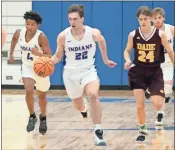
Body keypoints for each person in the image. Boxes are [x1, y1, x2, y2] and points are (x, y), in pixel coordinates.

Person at [51, 4, 116, 146]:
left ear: (82, 19)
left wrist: (105, 60)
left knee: (93, 95)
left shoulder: (93, 33)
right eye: (70, 19)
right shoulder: (63, 36)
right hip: (70, 74)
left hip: (88, 70)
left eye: (75, 19)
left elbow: (102, 41)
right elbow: (57, 56)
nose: (72, 22)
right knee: (78, 104)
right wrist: (47, 63)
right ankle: (83, 109)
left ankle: (98, 131)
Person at [124, 6, 174, 142]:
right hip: (139, 71)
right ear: (137, 20)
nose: (143, 21)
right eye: (140, 19)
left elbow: (170, 51)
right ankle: (142, 129)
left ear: (150, 19)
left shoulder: (160, 34)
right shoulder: (133, 35)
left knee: (158, 103)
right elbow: (127, 50)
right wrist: (128, 60)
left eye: (145, 19)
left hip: (155, 71)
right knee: (140, 104)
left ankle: (157, 104)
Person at [9, 11, 52, 135]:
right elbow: (14, 40)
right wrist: (11, 53)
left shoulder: (41, 37)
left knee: (42, 96)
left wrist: (39, 54)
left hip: (41, 69)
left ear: (38, 25)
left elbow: (49, 55)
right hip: (27, 67)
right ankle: (32, 116)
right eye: (27, 24)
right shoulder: (19, 33)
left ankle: (43, 117)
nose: (29, 27)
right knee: (28, 90)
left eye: (32, 25)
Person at [145, 8, 174, 104]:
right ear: (151, 19)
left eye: (159, 17)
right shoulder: (148, 32)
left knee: (168, 91)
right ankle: (149, 88)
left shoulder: (171, 29)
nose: (157, 20)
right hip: (155, 63)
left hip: (168, 62)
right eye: (155, 18)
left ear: (163, 18)